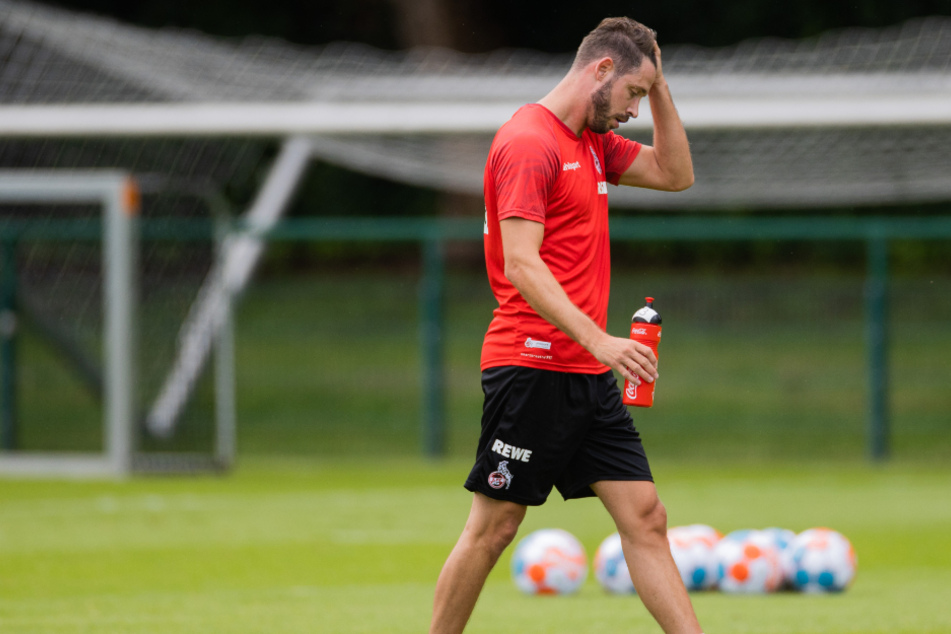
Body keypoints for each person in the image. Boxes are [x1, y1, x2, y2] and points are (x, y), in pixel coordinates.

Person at [429, 17, 701, 634]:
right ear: (600, 70)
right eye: (632, 93)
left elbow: (675, 173)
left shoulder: (594, 142)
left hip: (585, 372)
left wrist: (658, 83)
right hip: (530, 364)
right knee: (494, 528)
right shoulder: (530, 141)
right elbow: (522, 265)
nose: (632, 110)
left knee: (646, 517)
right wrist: (601, 338)